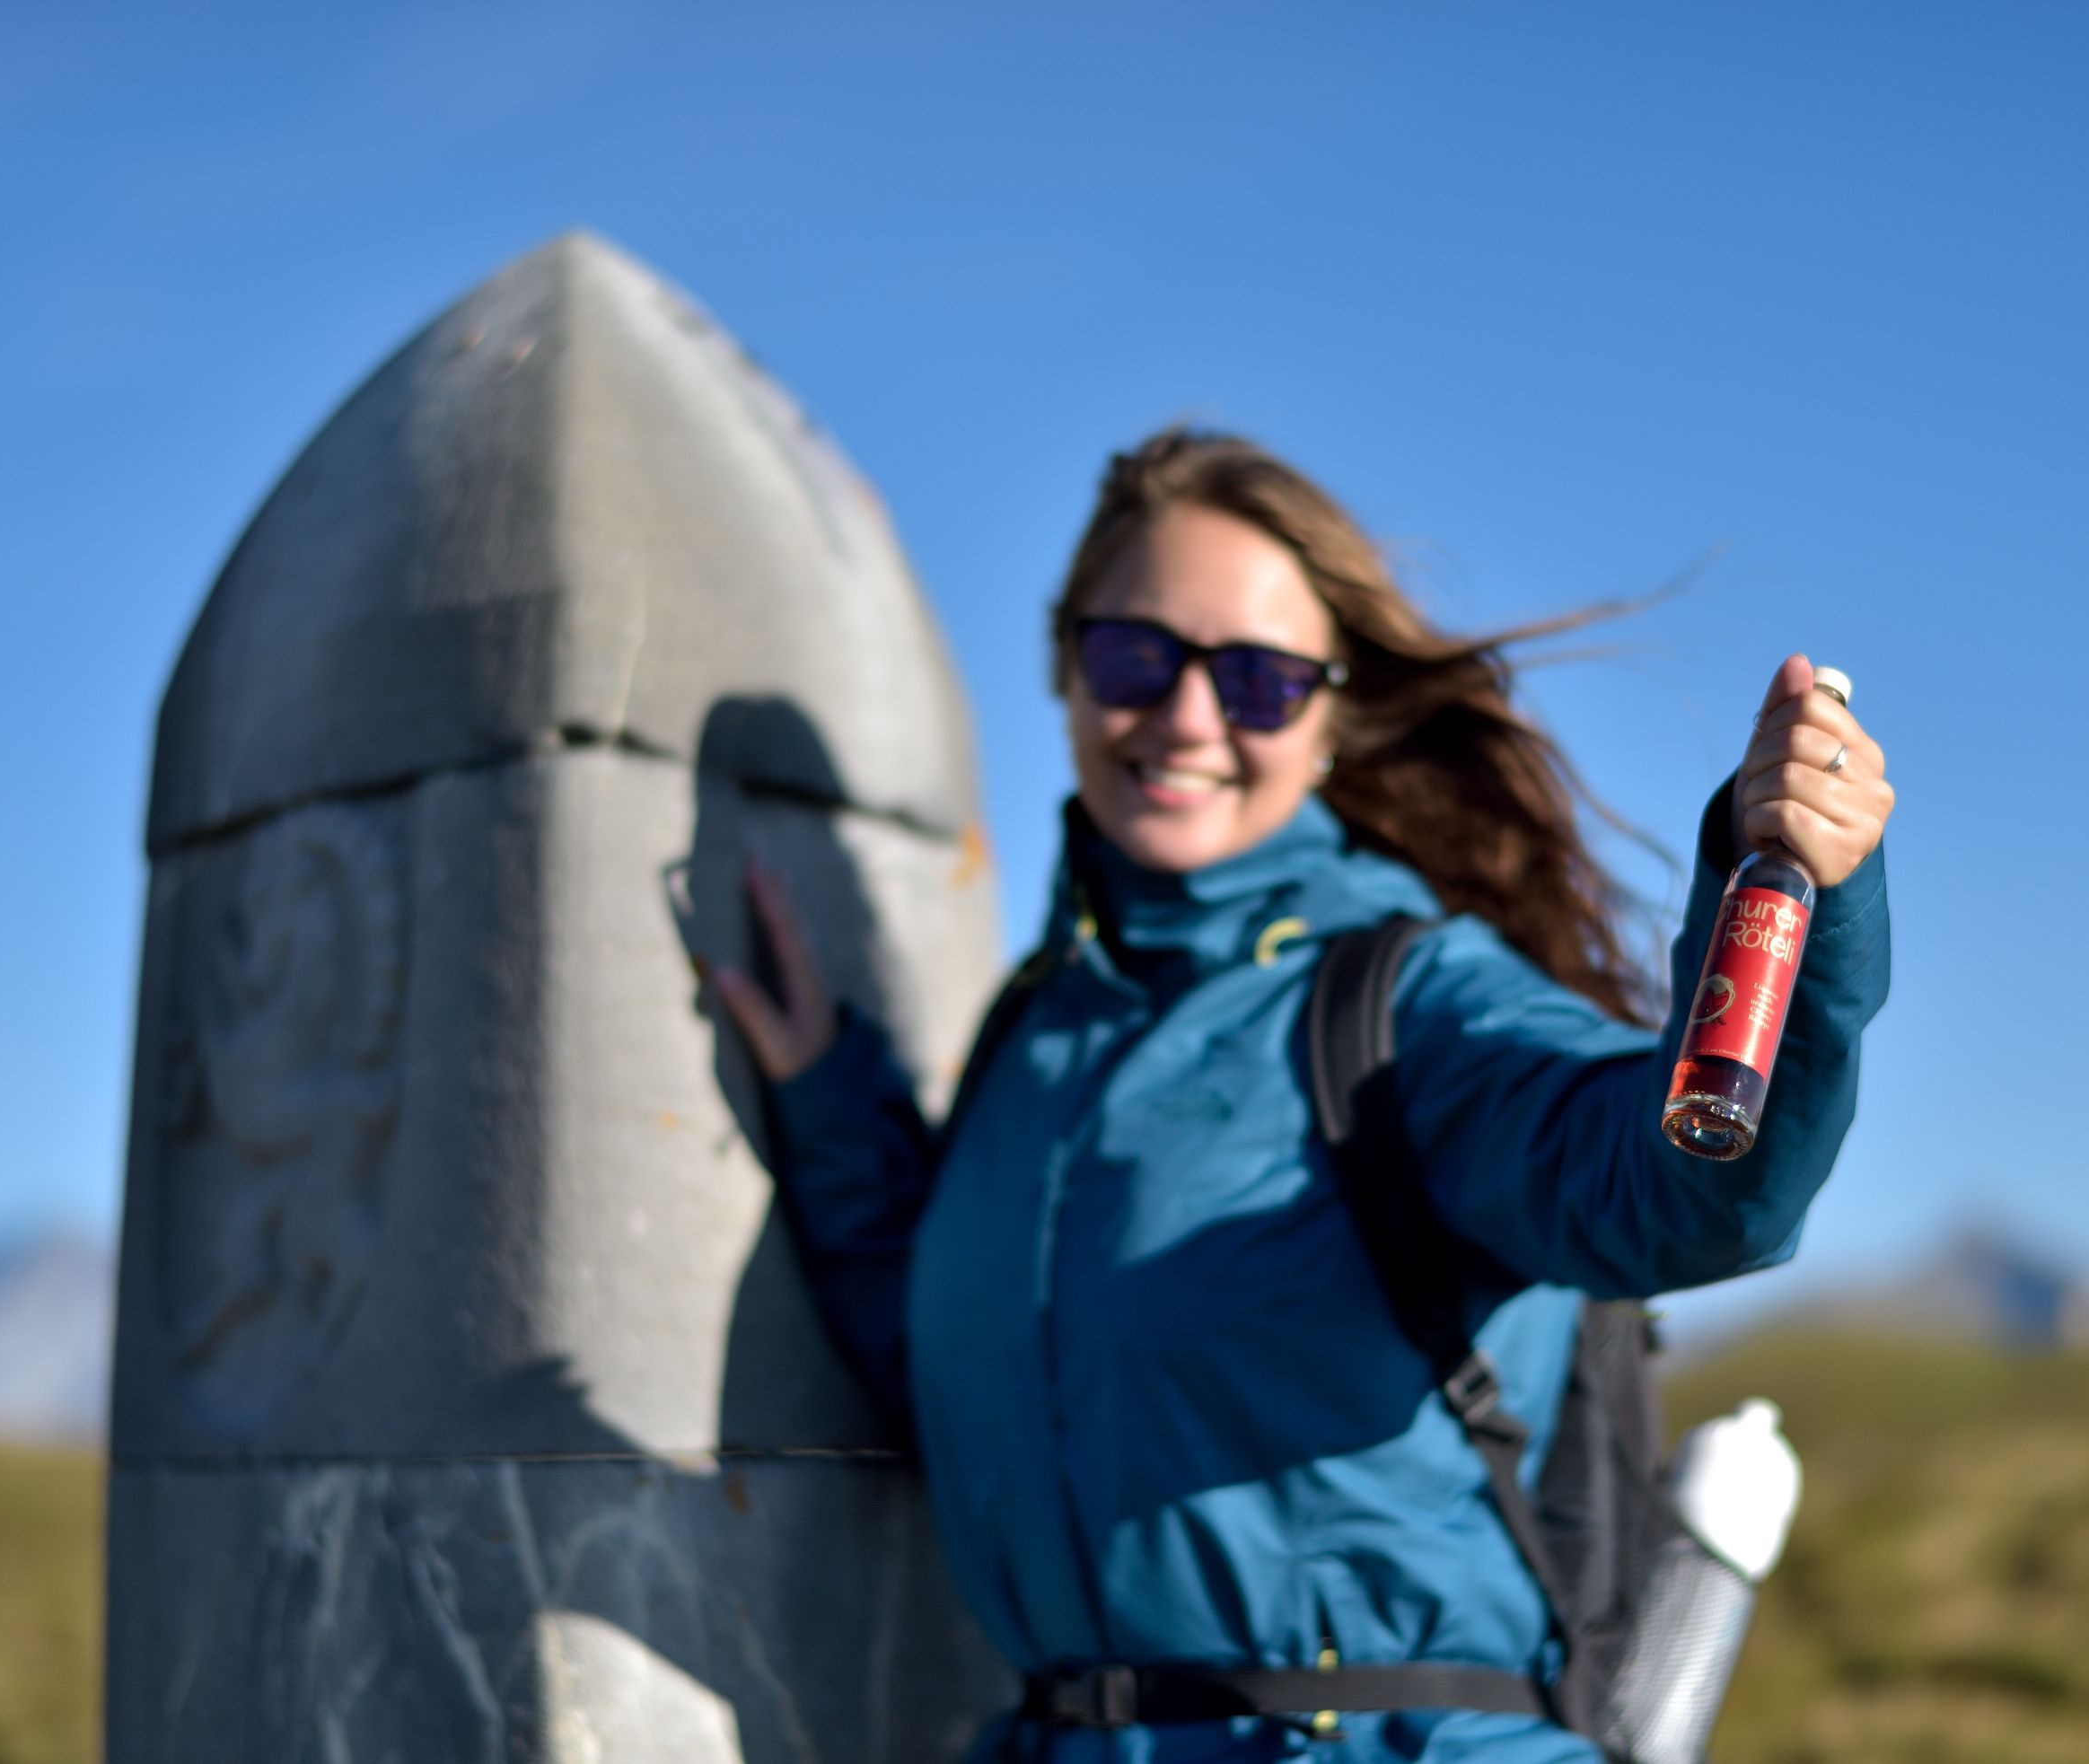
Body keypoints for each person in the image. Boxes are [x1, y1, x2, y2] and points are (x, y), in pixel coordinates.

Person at [709, 427, 1894, 1762]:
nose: (1187, 716)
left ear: (1332, 720)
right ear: (1062, 661)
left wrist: (1795, 900)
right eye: (1135, 656)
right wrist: (828, 1104)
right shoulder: (1032, 1036)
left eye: (1261, 681)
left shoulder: (1408, 1011)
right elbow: (963, 1380)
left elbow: (1687, 1193)